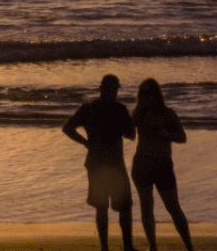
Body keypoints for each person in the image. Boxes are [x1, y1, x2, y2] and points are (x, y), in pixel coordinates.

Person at [63, 73, 136, 251]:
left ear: (101, 89)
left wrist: (86, 143)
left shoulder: (89, 108)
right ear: (113, 90)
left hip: (95, 162)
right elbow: (131, 136)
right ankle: (127, 247)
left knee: (101, 207)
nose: (114, 93)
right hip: (115, 164)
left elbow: (68, 128)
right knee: (124, 206)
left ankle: (105, 248)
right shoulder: (119, 109)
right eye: (114, 89)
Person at [130, 78, 194, 251]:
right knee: (146, 206)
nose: (146, 96)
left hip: (163, 165)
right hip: (142, 164)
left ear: (156, 94)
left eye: (149, 93)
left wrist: (166, 134)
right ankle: (153, 247)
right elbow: (128, 133)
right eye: (142, 93)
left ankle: (189, 246)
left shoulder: (167, 114)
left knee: (173, 207)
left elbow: (182, 137)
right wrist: (137, 111)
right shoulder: (137, 114)